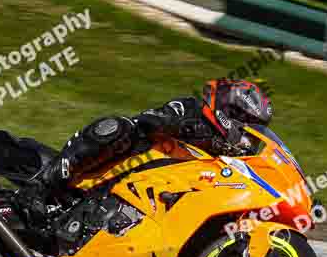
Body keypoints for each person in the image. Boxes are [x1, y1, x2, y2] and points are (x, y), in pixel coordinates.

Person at [34, 78, 273, 197]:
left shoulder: (227, 163)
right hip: (113, 173)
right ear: (231, 113)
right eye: (248, 126)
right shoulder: (191, 110)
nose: (248, 138)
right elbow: (150, 119)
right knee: (121, 127)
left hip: (152, 202)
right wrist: (179, 127)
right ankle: (43, 183)